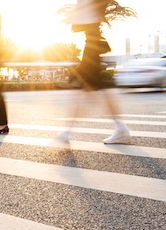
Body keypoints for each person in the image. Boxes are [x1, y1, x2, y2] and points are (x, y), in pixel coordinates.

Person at [53, 0, 131, 145]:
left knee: (85, 90)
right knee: (94, 89)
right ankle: (120, 128)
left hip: (93, 42)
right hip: (92, 40)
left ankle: (66, 133)